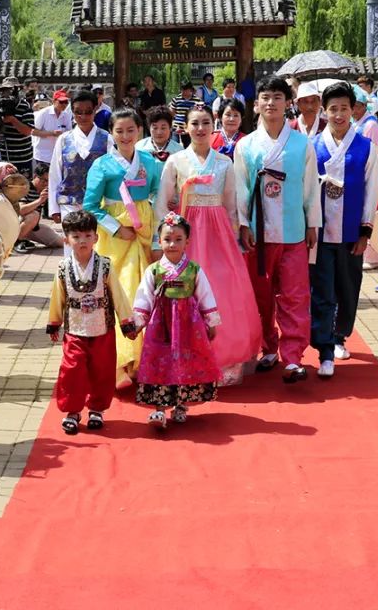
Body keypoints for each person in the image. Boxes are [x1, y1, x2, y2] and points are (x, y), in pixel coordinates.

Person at [155, 105, 261, 385]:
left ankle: (223, 358)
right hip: (185, 232)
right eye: (195, 124)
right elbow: (163, 200)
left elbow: (231, 204)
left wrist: (238, 234)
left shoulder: (224, 163)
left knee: (222, 287)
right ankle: (183, 358)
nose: (200, 129)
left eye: (205, 123)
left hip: (217, 233)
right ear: (185, 128)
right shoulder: (176, 161)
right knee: (184, 291)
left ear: (213, 126)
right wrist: (163, 238)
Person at [234, 76, 322, 383]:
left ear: (288, 103)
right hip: (258, 234)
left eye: (277, 97)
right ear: (256, 104)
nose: (271, 103)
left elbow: (310, 187)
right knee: (262, 295)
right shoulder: (245, 145)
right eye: (265, 97)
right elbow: (241, 189)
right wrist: (243, 224)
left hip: (294, 230)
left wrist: (313, 223)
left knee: (295, 294)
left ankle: (293, 356)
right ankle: (268, 346)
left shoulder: (301, 144)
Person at [83, 108, 161, 388]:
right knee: (122, 294)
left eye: (131, 130)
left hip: (144, 233)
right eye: (119, 131)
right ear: (112, 134)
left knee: (145, 294)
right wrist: (117, 227)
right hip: (115, 240)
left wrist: (150, 224)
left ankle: (143, 360)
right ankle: (120, 361)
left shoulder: (150, 162)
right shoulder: (102, 165)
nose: (125, 136)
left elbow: (157, 194)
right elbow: (90, 206)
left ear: (139, 131)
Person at [308, 82, 378, 378]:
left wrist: (365, 231)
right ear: (324, 111)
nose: (338, 115)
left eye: (344, 109)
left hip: (351, 231)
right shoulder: (312, 146)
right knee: (321, 289)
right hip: (320, 232)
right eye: (333, 109)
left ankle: (340, 336)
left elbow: (371, 190)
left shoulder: (365, 147)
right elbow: (307, 190)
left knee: (348, 288)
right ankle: (324, 349)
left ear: (354, 111)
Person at [46, 211, 136, 435]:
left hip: (102, 328)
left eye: (87, 235)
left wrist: (126, 321)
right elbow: (58, 296)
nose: (82, 241)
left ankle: (97, 409)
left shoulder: (105, 266)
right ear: (67, 239)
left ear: (96, 238)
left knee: (102, 370)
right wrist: (54, 322)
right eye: (76, 236)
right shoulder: (63, 268)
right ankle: (73, 411)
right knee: (72, 370)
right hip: (75, 329)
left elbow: (118, 294)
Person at [132, 213, 221, 429]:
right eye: (167, 239)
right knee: (159, 362)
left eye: (178, 239)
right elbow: (144, 297)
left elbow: (205, 296)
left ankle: (181, 405)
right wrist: (137, 322)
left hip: (189, 326)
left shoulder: (193, 270)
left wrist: (211, 321)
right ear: (159, 241)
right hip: (160, 326)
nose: (172, 244)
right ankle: (159, 409)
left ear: (187, 242)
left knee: (184, 362)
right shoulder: (153, 270)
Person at [48, 91, 113, 222]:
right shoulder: (64, 139)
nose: (83, 116)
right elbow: (55, 174)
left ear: (95, 110)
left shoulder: (107, 138)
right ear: (72, 112)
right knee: (71, 241)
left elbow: (112, 173)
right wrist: (53, 208)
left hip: (98, 204)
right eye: (78, 112)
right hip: (68, 202)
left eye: (88, 111)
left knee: (95, 241)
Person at [0, 76, 35, 177]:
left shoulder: (25, 106)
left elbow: (27, 131)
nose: (6, 93)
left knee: (21, 188)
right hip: (3, 158)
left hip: (22, 159)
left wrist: (12, 120)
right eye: (4, 90)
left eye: (10, 90)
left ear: (17, 91)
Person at [33, 89, 73, 178]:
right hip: (43, 155)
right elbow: (33, 131)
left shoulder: (66, 115)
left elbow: (70, 132)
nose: (64, 105)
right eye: (61, 102)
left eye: (66, 102)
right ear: (54, 101)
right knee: (43, 181)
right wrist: (51, 133)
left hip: (59, 155)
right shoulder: (43, 113)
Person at [169, 81, 197, 145]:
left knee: (189, 146)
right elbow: (172, 113)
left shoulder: (197, 101)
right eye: (182, 90)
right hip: (176, 127)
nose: (183, 92)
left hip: (189, 128)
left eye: (185, 90)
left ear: (190, 90)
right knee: (174, 145)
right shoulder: (176, 99)